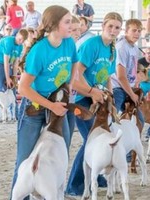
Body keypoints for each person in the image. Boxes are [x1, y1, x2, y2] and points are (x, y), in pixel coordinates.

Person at [10, 5, 78, 200]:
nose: (71, 25)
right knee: (24, 160)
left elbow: (74, 62)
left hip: (57, 103)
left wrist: (70, 84)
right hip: (35, 106)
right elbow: (23, 88)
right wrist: (51, 106)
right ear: (54, 25)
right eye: (67, 22)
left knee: (61, 154)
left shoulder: (69, 44)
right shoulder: (39, 50)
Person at [65, 12, 123, 196]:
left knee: (100, 138)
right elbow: (77, 74)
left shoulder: (112, 49)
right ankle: (74, 186)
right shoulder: (92, 44)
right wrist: (91, 92)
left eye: (117, 27)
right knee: (90, 141)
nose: (113, 30)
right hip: (82, 98)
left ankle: (96, 176)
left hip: (98, 98)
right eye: (110, 26)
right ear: (103, 26)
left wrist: (110, 96)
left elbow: (106, 76)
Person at [111, 19, 144, 158]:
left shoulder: (135, 48)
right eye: (134, 30)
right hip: (117, 88)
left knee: (139, 120)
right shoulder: (121, 47)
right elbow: (121, 76)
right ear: (126, 31)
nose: (137, 33)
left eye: (139, 31)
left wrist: (136, 84)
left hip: (128, 87)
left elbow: (133, 70)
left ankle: (128, 154)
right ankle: (113, 151)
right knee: (113, 121)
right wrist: (132, 94)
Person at [0, 29, 28, 121]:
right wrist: (7, 78)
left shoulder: (20, 46)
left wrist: (13, 78)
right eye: (20, 39)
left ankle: (14, 114)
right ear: (17, 35)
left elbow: (15, 62)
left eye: (23, 40)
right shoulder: (8, 41)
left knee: (12, 87)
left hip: (9, 64)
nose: (21, 42)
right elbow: (6, 61)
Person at [138, 47, 150, 138]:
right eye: (148, 53)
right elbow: (143, 78)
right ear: (144, 54)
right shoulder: (140, 62)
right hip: (143, 89)